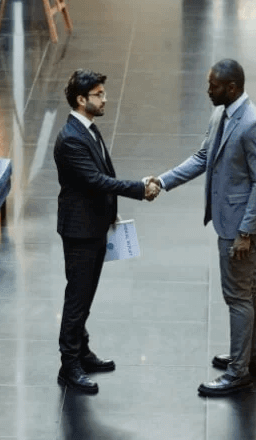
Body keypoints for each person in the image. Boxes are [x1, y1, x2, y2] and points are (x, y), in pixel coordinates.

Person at [151, 59, 256, 396]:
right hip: (231, 221)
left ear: (231, 88)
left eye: (213, 85)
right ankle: (251, 356)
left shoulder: (253, 125)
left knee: (237, 295)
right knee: (248, 286)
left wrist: (245, 234)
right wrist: (162, 182)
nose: (207, 90)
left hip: (241, 227)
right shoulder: (221, 113)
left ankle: (238, 372)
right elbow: (203, 157)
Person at [54, 69, 161, 394]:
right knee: (77, 298)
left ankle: (82, 353)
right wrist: (139, 189)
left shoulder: (87, 129)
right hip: (80, 231)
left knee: (85, 296)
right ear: (81, 99)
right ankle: (69, 365)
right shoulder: (71, 138)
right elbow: (96, 181)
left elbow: (102, 175)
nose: (105, 99)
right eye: (99, 95)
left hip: (94, 226)